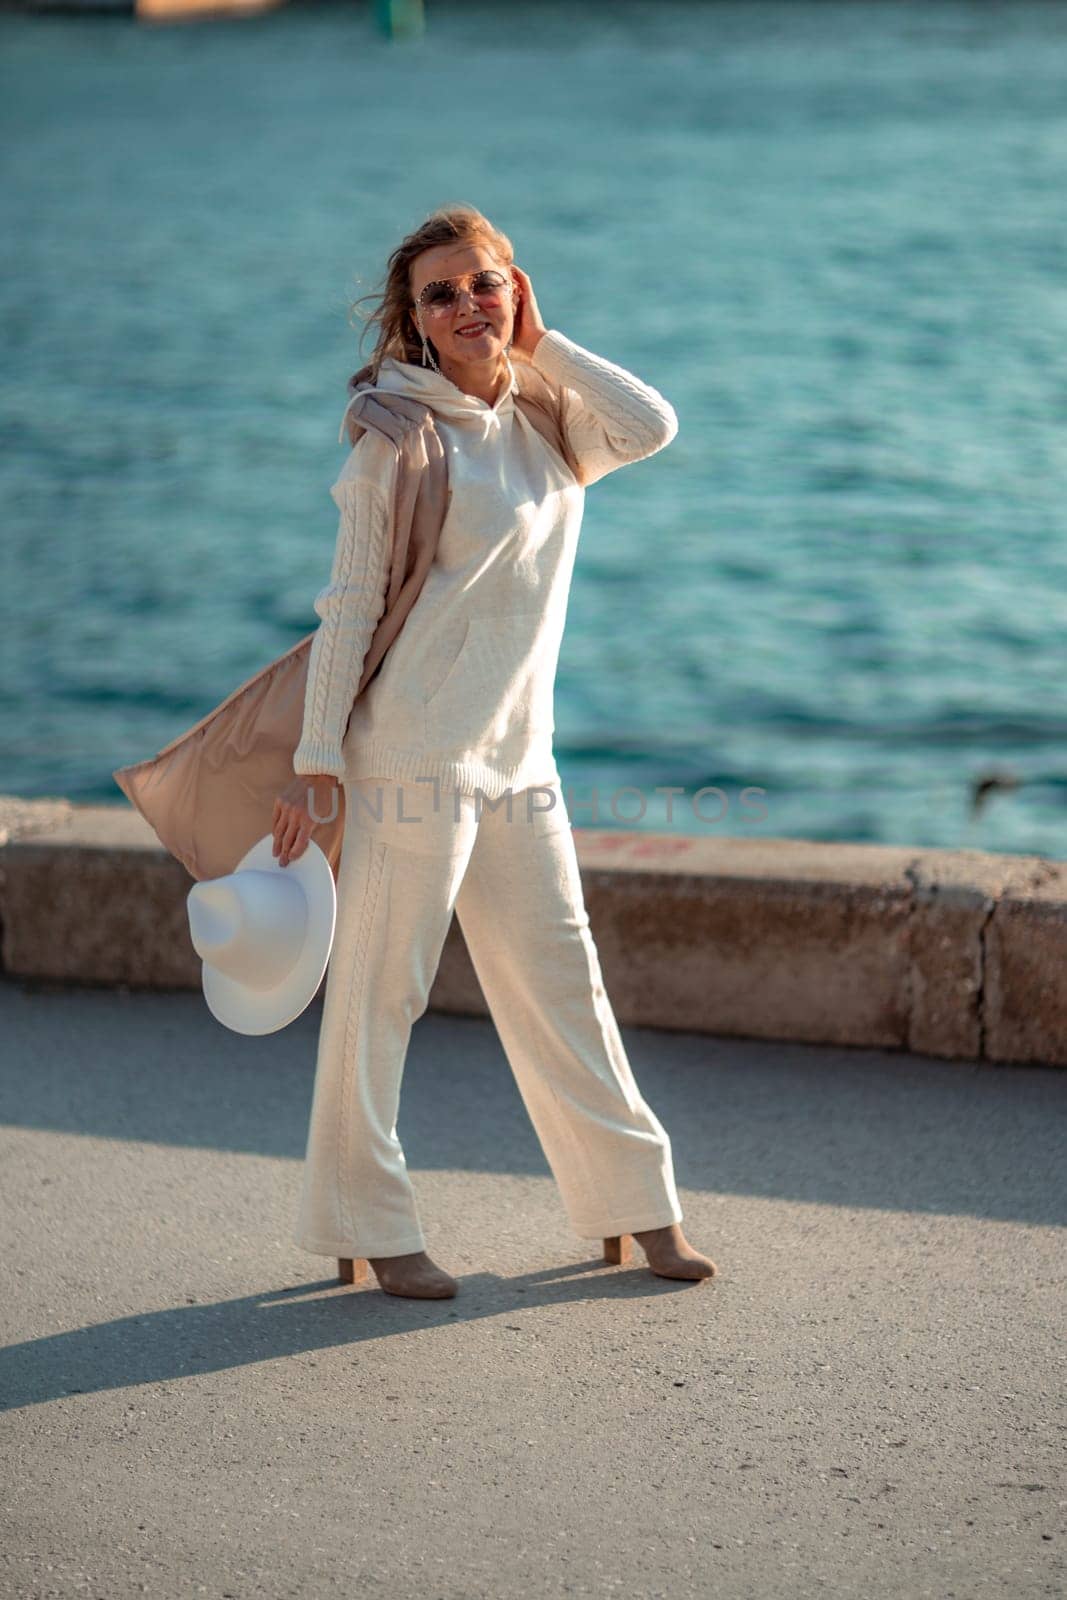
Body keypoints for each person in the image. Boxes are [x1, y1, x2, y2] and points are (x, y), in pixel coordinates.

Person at [272, 203, 717, 1298]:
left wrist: (540, 344)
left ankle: (632, 1204)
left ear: (516, 289)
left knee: (562, 981)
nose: (466, 305)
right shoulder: (396, 439)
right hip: (412, 758)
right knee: (382, 997)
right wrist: (319, 764)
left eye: (484, 283)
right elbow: (348, 606)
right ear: (412, 322)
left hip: (519, 760)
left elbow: (653, 423)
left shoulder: (548, 416)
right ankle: (364, 1218)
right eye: (440, 293)